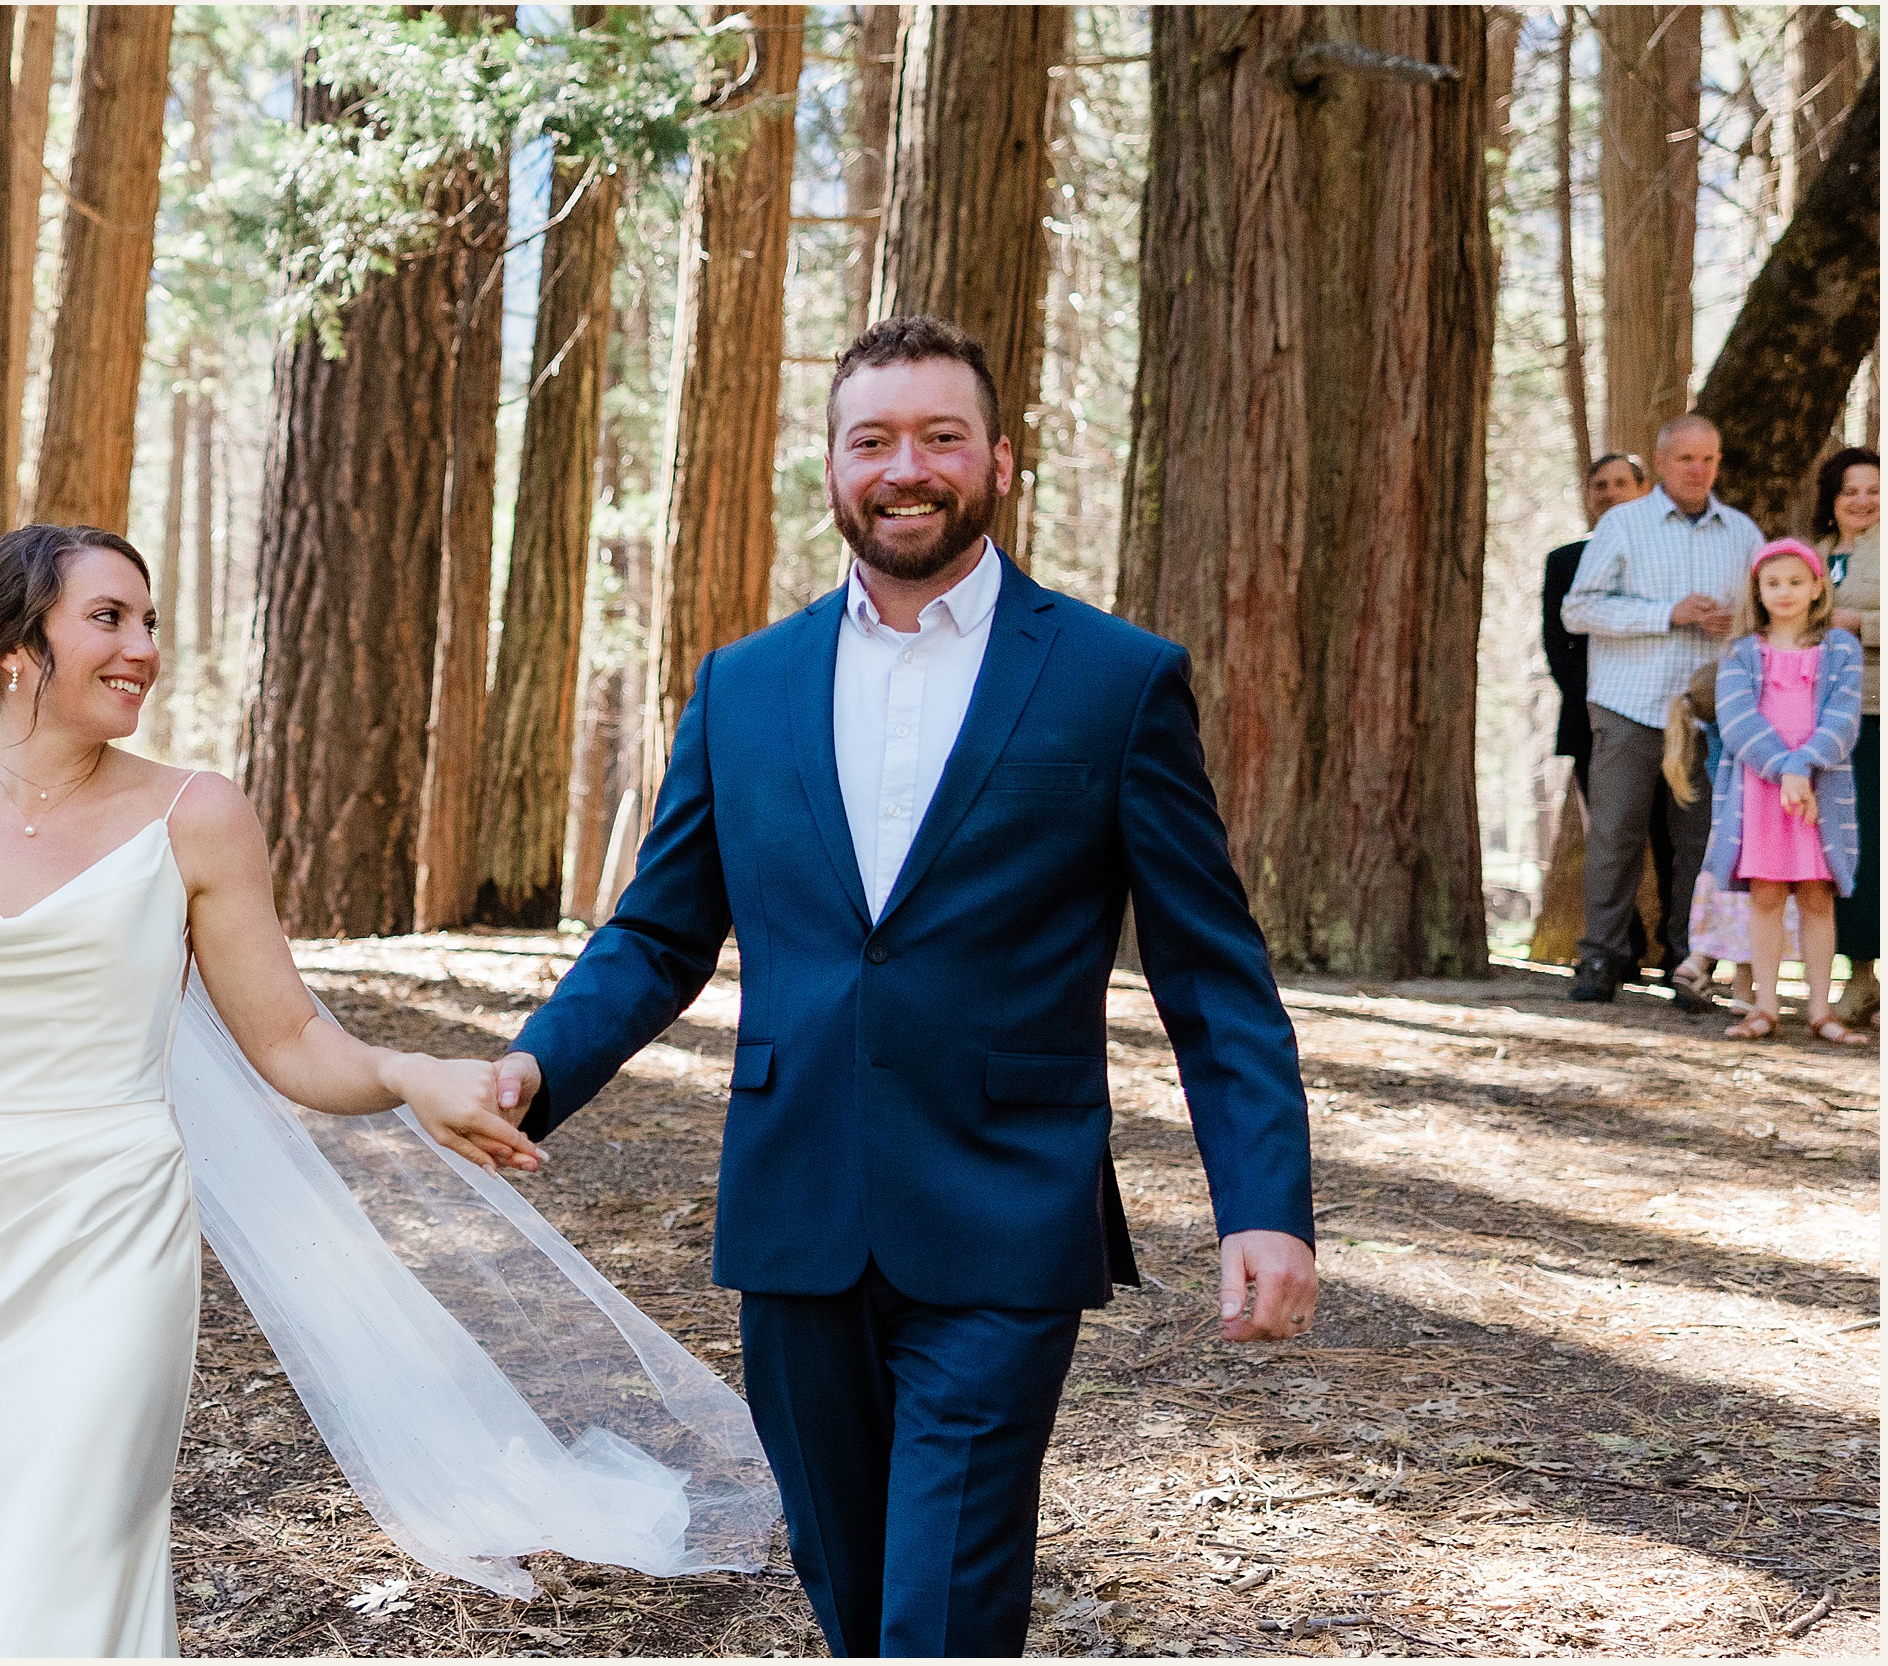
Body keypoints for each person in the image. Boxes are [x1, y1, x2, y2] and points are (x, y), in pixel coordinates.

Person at [490, 316, 1318, 1658]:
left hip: (1006, 1207)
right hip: (797, 1205)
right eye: (872, 439)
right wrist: (533, 1070)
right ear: (831, 466)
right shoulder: (744, 686)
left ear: (998, 459)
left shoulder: (1116, 681)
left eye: (941, 436)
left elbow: (1212, 974)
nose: (906, 467)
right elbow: (656, 935)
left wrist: (1266, 1203)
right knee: (855, 1597)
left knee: (940, 1612)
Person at [0, 525, 778, 1656]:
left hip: (113, 1230)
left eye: (150, 621)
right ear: (12, 649)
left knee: (85, 1535)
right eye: (108, 618)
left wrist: (406, 1072)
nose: (142, 648)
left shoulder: (195, 814)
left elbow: (287, 1037)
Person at [1562, 413, 1764, 1003]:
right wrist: (1666, 613)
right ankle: (1600, 958)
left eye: (1709, 459)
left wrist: (1738, 624)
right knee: (1616, 836)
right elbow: (1578, 611)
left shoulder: (1743, 534)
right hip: (1629, 704)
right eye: (1685, 459)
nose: (1698, 470)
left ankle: (1688, 961)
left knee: (1698, 842)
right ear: (1663, 462)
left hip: (1708, 712)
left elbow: (1765, 612)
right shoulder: (1623, 525)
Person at [1705, 539, 1865, 1044]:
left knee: (1819, 897)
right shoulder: (1740, 652)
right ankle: (1764, 1006)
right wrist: (1784, 769)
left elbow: (1844, 717)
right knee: (1767, 895)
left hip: (1821, 789)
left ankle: (1820, 1009)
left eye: (1797, 582)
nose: (1786, 592)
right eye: (1773, 583)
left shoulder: (1841, 648)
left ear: (1818, 586)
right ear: (1758, 589)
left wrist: (1804, 766)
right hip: (1761, 791)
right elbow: (1736, 720)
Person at [1542, 453, 1668, 984]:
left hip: (1670, 712)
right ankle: (1618, 950)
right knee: (1611, 838)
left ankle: (1680, 952)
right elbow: (1558, 643)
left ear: (1644, 490)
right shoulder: (1566, 560)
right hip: (1594, 719)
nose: (1611, 492)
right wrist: (1598, 703)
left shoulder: (1665, 555)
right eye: (1601, 485)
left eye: (1622, 483)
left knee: (1671, 836)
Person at [1664, 662, 1798, 1009]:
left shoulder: (1711, 730)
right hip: (1753, 835)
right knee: (1754, 909)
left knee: (1730, 909)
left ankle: (1698, 963)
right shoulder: (1744, 736)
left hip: (1722, 846)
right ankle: (1741, 990)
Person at [1813, 446, 1879, 1024]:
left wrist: (1864, 624)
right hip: (1827, 725)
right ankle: (1859, 976)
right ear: (1831, 499)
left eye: (1873, 489)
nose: (1862, 501)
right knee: (1845, 851)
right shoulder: (1811, 556)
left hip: (1880, 714)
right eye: (1850, 490)